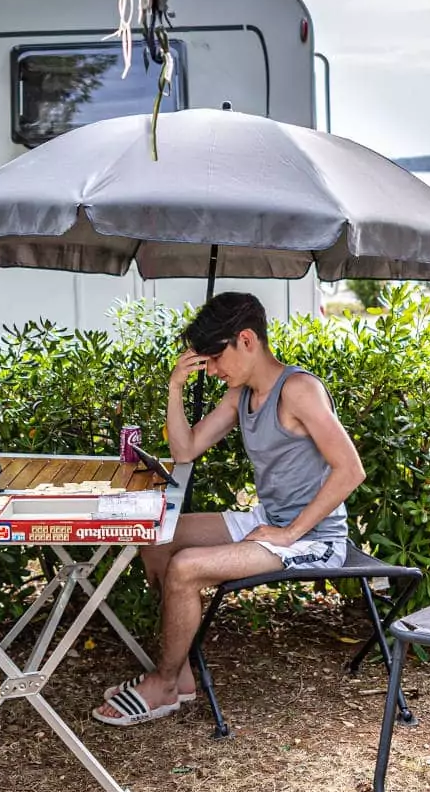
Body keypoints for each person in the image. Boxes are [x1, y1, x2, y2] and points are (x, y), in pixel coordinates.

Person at [93, 292, 365, 726]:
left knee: (185, 567)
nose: (214, 371)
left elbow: (350, 470)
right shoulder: (241, 395)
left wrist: (291, 532)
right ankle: (180, 675)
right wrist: (175, 387)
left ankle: (162, 682)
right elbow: (185, 450)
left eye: (216, 359)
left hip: (313, 538)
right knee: (157, 537)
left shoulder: (299, 390)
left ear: (246, 340)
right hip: (270, 521)